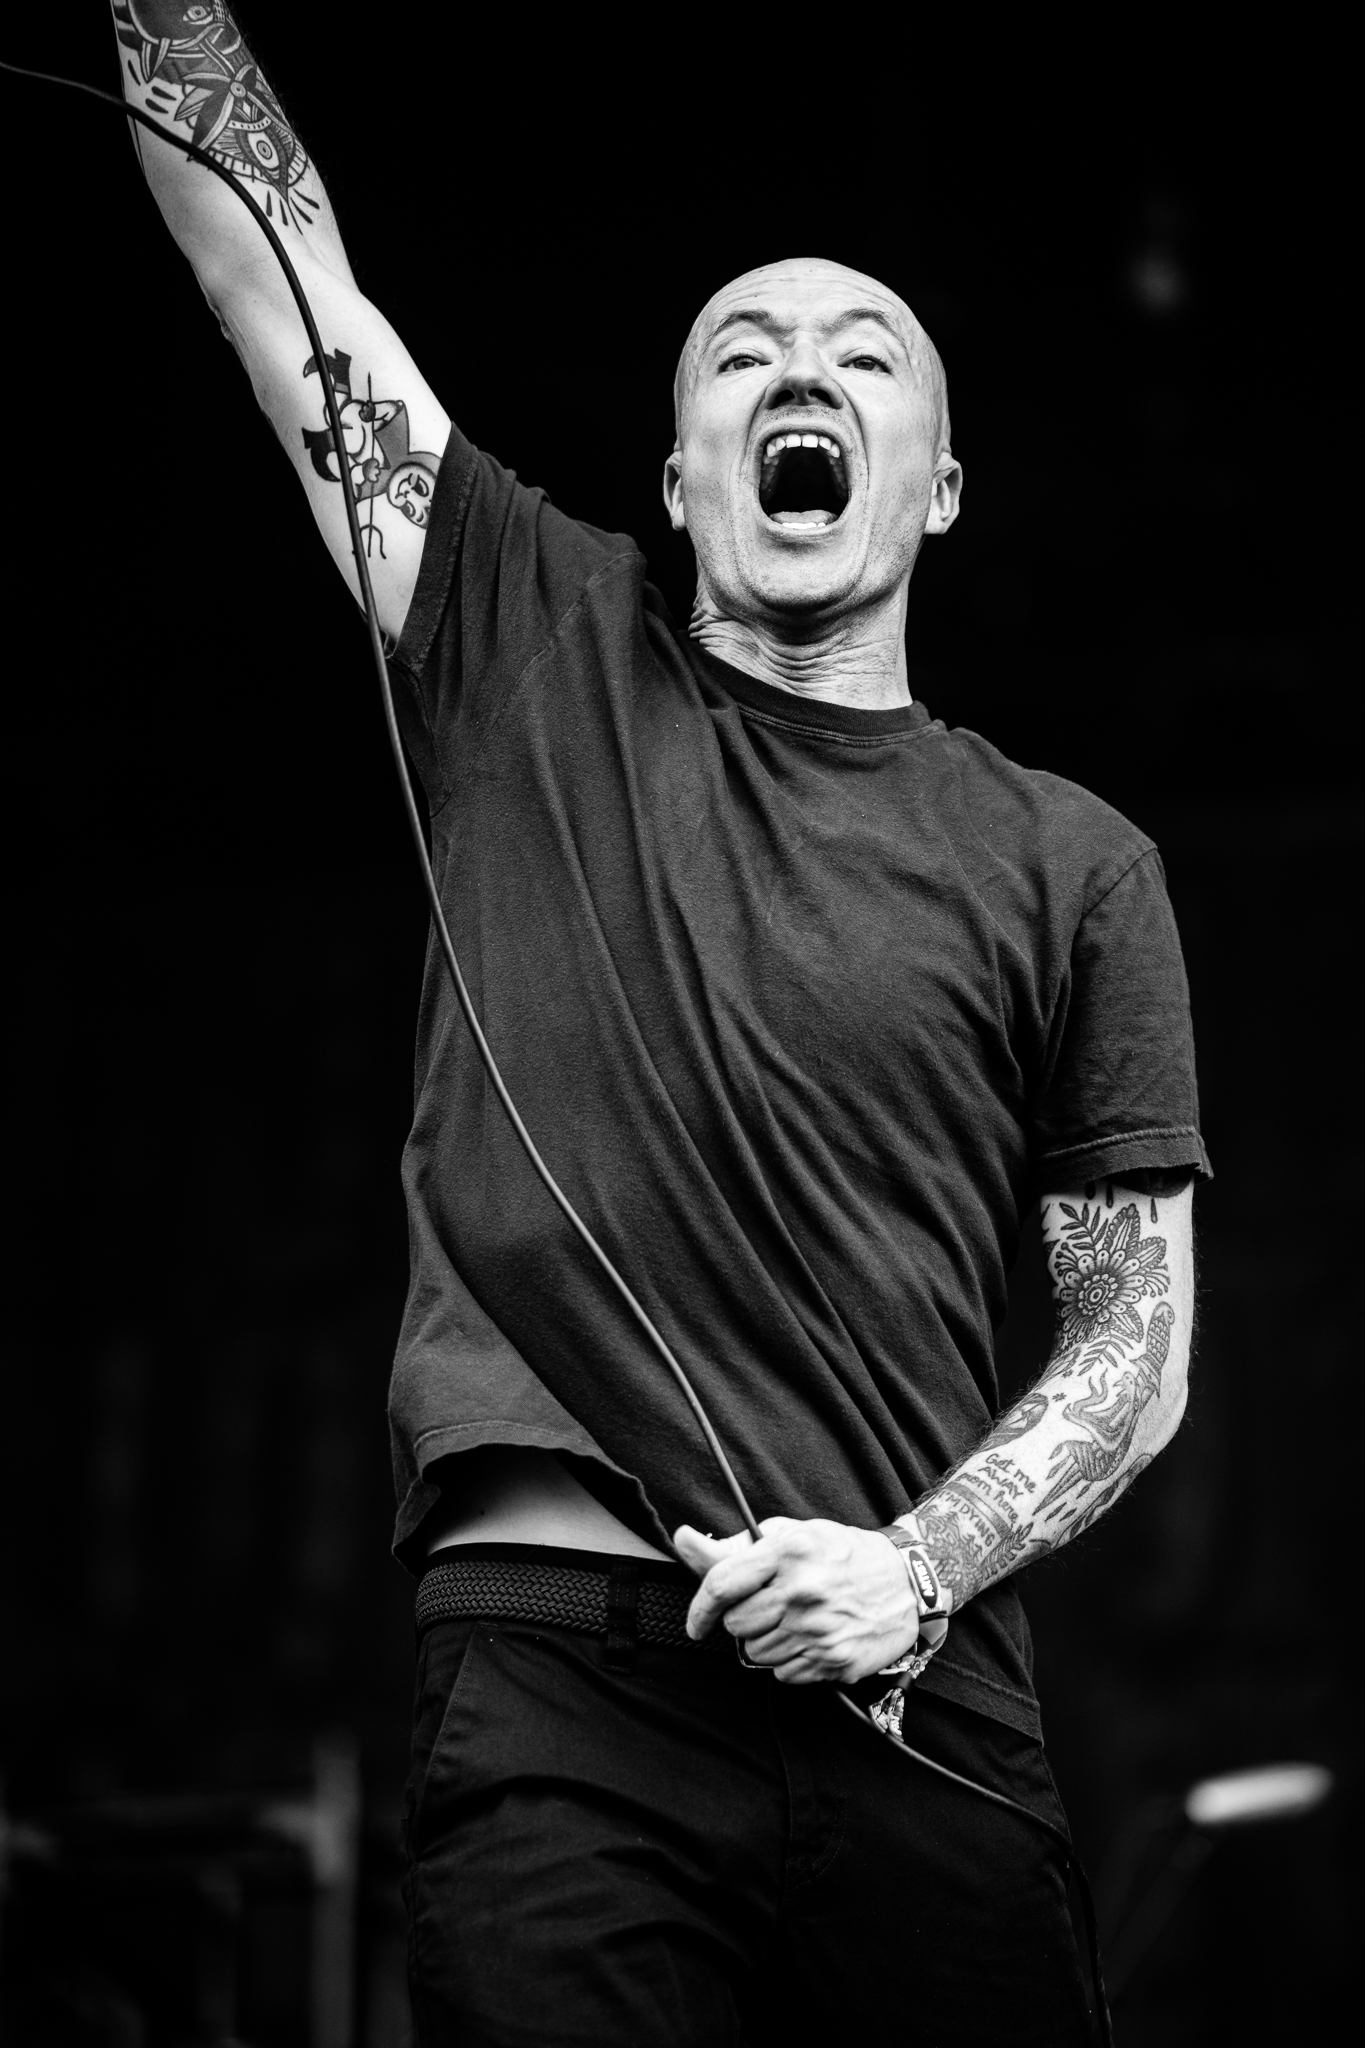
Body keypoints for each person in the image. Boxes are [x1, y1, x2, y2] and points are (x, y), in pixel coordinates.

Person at [112, 8, 1208, 2043]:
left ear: (937, 487)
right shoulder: (525, 631)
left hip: (918, 1690)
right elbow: (276, 278)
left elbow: (1131, 1342)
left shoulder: (1072, 864)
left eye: (863, 355)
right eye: (740, 353)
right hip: (564, 1671)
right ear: (683, 475)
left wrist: (912, 1568)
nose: (800, 370)